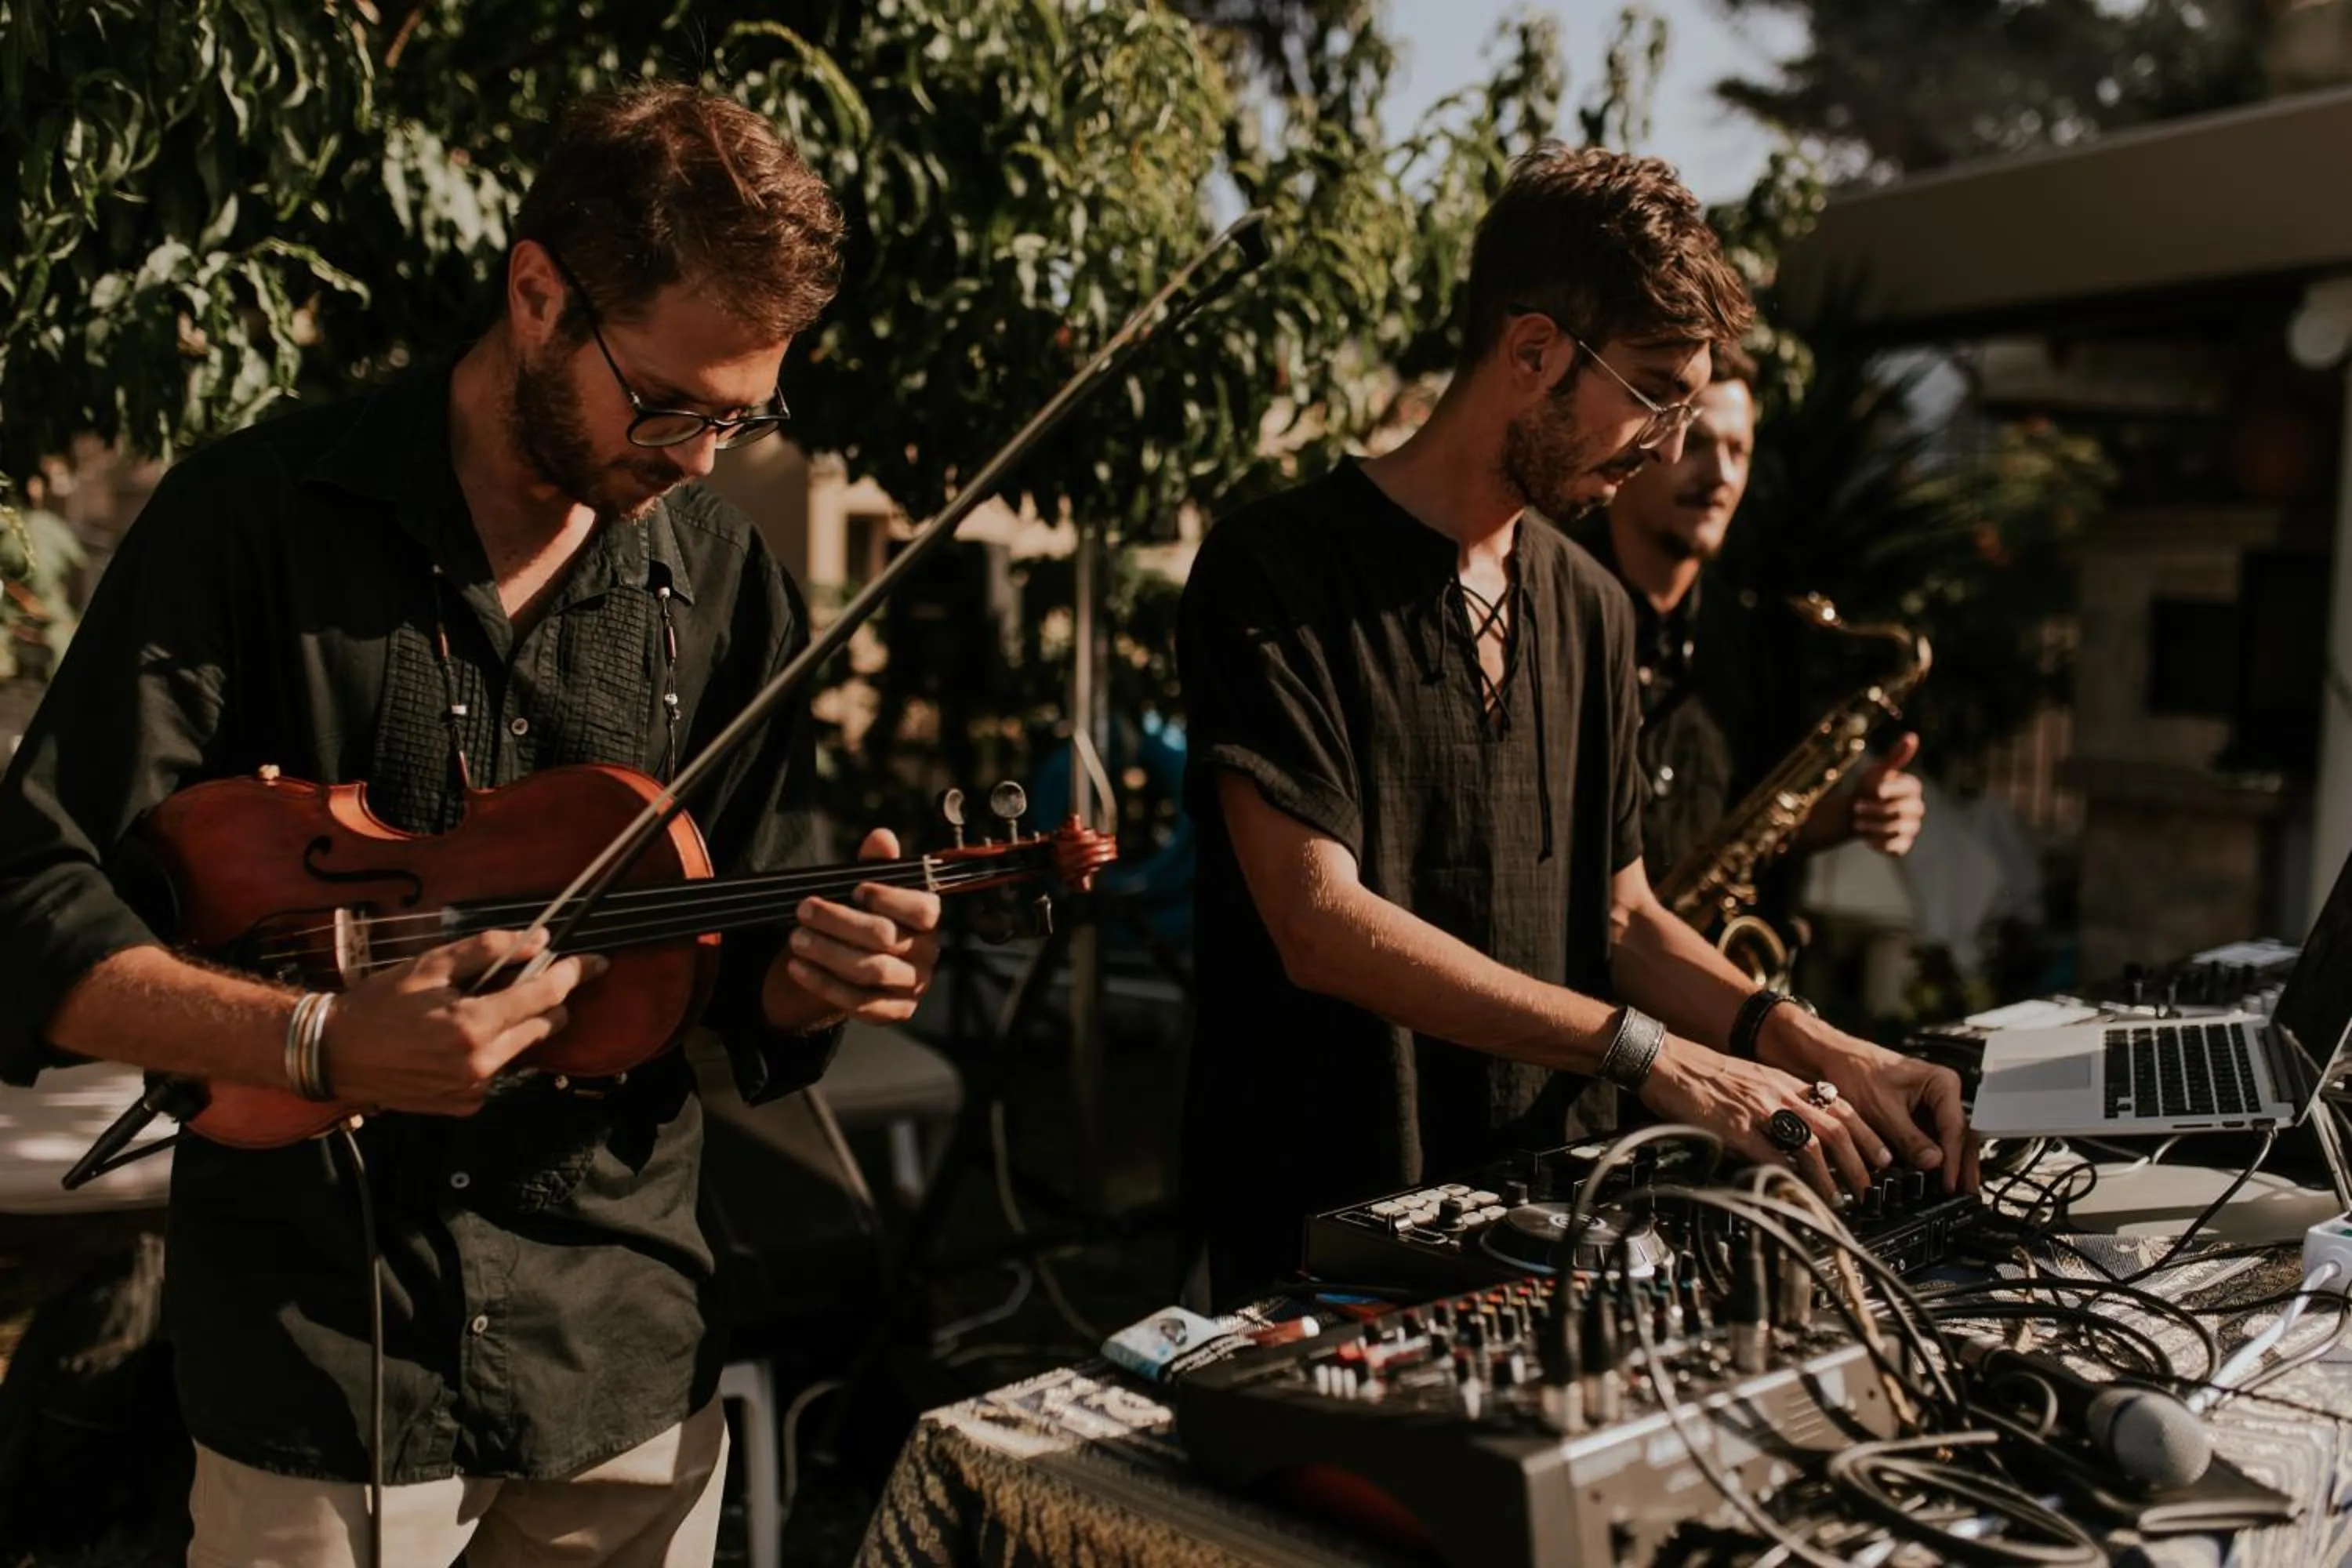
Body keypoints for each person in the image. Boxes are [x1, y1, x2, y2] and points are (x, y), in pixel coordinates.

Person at [0, 85, 939, 1568]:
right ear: (537, 293)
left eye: (741, 415)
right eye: (669, 404)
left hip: (622, 1362)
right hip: (322, 1367)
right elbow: (27, 899)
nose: (701, 459)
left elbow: (739, 959)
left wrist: (818, 975)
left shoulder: (727, 581)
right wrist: (314, 1042)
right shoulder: (253, 516)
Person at [1175, 143, 1976, 1312]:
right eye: (1653, 391)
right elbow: (1320, 925)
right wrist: (1650, 1053)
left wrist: (1817, 1045)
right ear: (1533, 351)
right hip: (1324, 1231)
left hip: (1556, 1222)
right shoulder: (1272, 571)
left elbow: (1623, 914)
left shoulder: (1593, 606)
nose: (1670, 444)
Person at [1570, 341, 1926, 894]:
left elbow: (1749, 828)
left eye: (1739, 451)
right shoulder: (1559, 615)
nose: (1722, 475)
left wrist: (1857, 812)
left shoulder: (1754, 640)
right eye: (1698, 444)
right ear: (1640, 445)